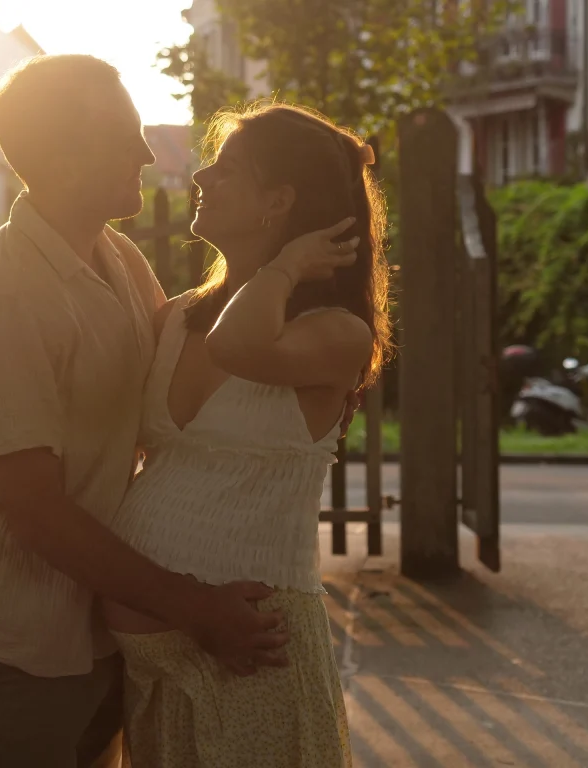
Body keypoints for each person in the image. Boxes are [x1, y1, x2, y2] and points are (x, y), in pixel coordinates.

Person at [0, 55, 297, 767]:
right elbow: (37, 514)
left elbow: (181, 396)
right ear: (64, 157)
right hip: (18, 638)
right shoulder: (5, 298)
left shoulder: (116, 257)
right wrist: (196, 608)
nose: (148, 153)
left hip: (103, 619)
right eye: (125, 136)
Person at [103, 102, 393, 767]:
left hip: (255, 657)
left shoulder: (336, 333)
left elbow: (239, 346)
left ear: (279, 200)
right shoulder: (175, 317)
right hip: (155, 671)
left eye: (227, 168)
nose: (202, 175)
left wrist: (286, 269)